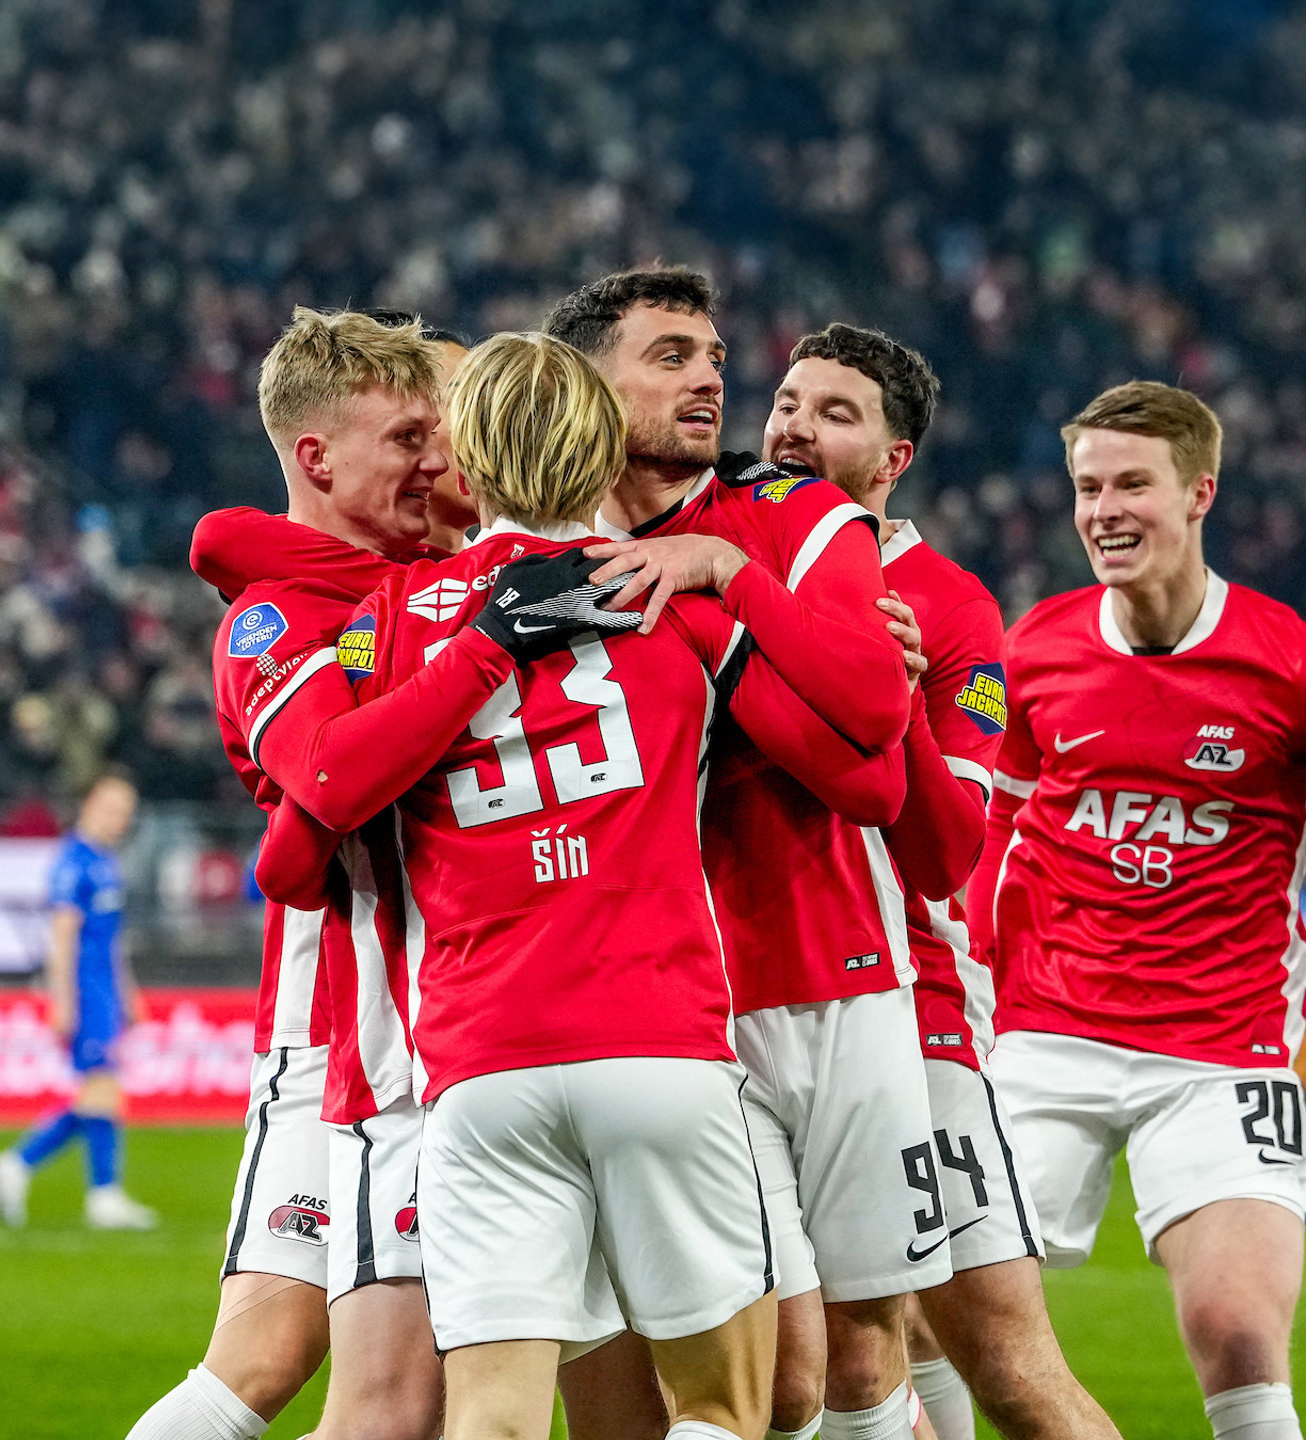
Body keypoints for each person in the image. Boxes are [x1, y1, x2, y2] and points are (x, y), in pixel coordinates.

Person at [251, 332, 908, 1440]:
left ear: (465, 457)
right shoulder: (671, 602)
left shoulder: (389, 623)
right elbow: (867, 773)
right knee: (721, 1406)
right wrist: (751, 590)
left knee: (493, 1421)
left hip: (480, 1064)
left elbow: (293, 850)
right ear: (604, 453)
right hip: (660, 1046)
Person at [969, 382, 1306, 1440]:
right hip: (1043, 1037)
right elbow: (994, 828)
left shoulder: (1297, 663)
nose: (1104, 510)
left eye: (1131, 485)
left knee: (1236, 1327)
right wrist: (969, 994)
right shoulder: (1035, 647)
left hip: (1219, 1049)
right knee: (938, 1318)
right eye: (1087, 488)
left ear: (1199, 494)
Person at [550, 270, 938, 1440]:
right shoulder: (544, 549)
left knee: (867, 1354)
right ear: (586, 383)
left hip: (842, 979)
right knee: (772, 1379)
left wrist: (720, 579)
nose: (710, 378)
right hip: (672, 1009)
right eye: (670, 355)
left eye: (714, 356)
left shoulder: (796, 514)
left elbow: (874, 749)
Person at [765, 325, 1122, 1440]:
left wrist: (902, 701)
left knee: (998, 1361)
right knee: (804, 1369)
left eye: (835, 414)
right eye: (787, 403)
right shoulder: (719, 551)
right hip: (739, 1006)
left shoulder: (945, 603)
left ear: (894, 459)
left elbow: (950, 848)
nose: (794, 429)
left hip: (908, 1012)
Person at [130, 308, 455, 1440]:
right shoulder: (271, 619)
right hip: (336, 1028)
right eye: (407, 438)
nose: (435, 461)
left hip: (440, 1014)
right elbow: (323, 789)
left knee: (374, 1390)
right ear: (315, 457)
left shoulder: (428, 582)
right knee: (302, 1370)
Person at [0, 772, 158, 1231]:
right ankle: (89, 1189)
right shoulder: (72, 861)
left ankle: (25, 1168)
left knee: (101, 1093)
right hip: (84, 990)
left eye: (125, 813)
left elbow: (113, 939)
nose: (119, 820)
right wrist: (62, 1000)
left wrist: (128, 994)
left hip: (104, 990)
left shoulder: (106, 861)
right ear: (88, 804)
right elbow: (61, 936)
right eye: (111, 809)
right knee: (101, 1089)